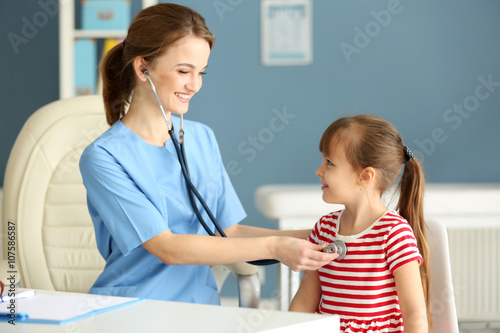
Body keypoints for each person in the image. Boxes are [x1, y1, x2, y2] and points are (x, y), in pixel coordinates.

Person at [79, 3, 337, 305]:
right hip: (134, 308)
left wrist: (326, 235)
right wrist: (276, 247)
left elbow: (229, 231)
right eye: (183, 71)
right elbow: (168, 248)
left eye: (200, 72)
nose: (195, 85)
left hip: (199, 309)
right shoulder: (103, 157)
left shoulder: (201, 138)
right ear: (142, 67)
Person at [289, 115, 431, 332]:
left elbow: (414, 315)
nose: (319, 171)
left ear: (365, 177)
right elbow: (304, 302)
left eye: (329, 163)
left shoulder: (393, 233)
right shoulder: (323, 229)